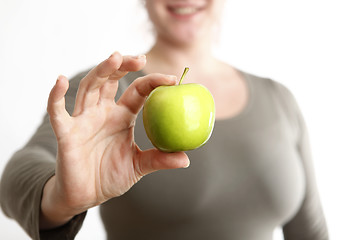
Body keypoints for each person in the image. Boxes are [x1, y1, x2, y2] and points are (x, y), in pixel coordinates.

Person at [0, 0, 329, 239]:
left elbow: (310, 231)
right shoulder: (104, 93)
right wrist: (61, 197)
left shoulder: (278, 98)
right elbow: (17, 177)